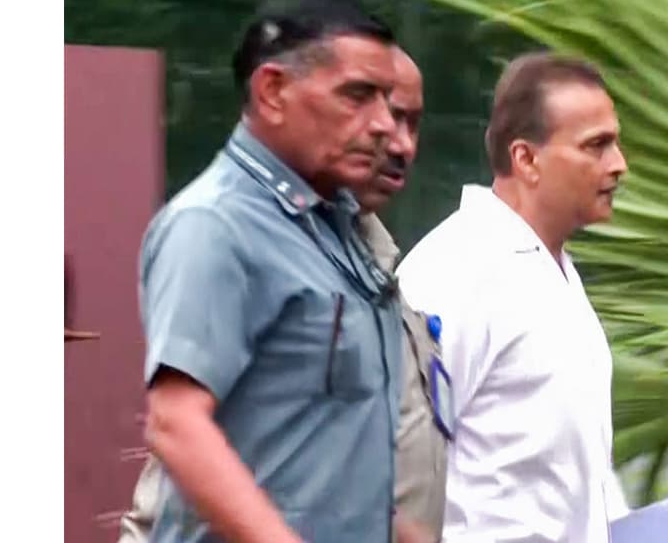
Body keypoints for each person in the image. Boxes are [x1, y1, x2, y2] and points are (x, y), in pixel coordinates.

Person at [118, 47, 447, 543]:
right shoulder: (237, 240)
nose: (397, 142)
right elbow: (179, 435)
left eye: (410, 122)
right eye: (376, 112)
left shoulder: (377, 272)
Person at [396, 52, 631, 543]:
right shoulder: (454, 269)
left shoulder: (552, 268)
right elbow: (394, 458)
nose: (618, 165)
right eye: (596, 145)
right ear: (526, 159)